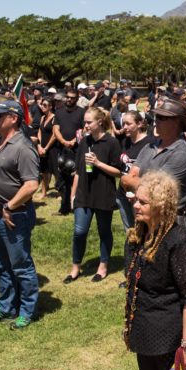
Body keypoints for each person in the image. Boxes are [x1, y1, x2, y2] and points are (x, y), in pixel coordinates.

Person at [124, 172, 186, 370]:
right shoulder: (139, 236)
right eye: (135, 199)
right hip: (143, 332)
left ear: (160, 206)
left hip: (167, 339)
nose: (136, 205)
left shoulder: (178, 243)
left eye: (143, 202)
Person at [0, 101, 40, 330]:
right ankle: (6, 306)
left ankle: (26, 310)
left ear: (13, 118)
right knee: (1, 265)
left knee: (20, 264)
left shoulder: (23, 146)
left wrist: (9, 206)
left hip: (14, 216)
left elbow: (32, 184)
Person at [65, 107, 123, 283]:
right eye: (85, 122)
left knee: (104, 231)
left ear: (99, 122)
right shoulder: (84, 141)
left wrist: (98, 163)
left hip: (104, 194)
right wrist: (72, 194)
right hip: (84, 193)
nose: (86, 125)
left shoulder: (112, 142)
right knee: (79, 232)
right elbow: (77, 171)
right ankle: (75, 268)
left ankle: (103, 266)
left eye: (89, 122)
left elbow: (118, 172)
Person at [121, 96, 186, 213]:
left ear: (176, 122)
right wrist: (131, 181)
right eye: (156, 117)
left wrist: (130, 181)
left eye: (161, 118)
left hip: (169, 220)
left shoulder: (181, 153)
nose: (156, 121)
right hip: (145, 217)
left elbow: (156, 189)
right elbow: (132, 174)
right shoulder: (150, 146)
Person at [36, 97, 58, 199]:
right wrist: (40, 146)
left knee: (56, 172)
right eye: (41, 104)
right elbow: (40, 131)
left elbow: (54, 135)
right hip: (42, 148)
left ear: (51, 106)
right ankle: (44, 192)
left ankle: (60, 192)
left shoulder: (55, 118)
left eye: (44, 105)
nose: (42, 107)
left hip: (52, 148)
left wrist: (46, 148)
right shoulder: (42, 118)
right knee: (44, 171)